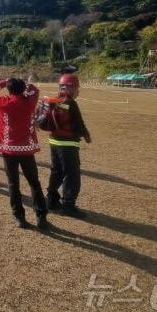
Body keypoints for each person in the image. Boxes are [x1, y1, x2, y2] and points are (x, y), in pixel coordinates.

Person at [0, 78, 48, 229]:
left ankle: (19, 217)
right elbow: (35, 90)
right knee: (34, 183)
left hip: (9, 150)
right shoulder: (30, 102)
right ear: (22, 89)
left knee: (13, 184)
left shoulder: (3, 103)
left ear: (9, 89)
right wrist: (26, 85)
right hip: (26, 149)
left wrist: (3, 82)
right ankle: (41, 217)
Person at [46, 73, 92, 218]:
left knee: (57, 171)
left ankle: (51, 200)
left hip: (53, 142)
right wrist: (86, 135)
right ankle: (68, 205)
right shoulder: (71, 102)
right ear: (71, 87)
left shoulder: (55, 100)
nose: (78, 90)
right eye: (77, 87)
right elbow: (79, 123)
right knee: (72, 175)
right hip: (68, 144)